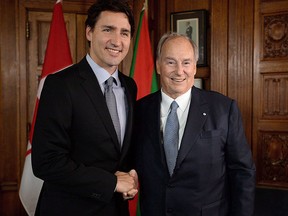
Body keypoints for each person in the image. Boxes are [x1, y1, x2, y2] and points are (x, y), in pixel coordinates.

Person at [32, 0, 138, 215]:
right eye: (108, 30)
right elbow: (47, 162)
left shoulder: (130, 86)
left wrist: (131, 175)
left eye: (124, 33)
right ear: (89, 32)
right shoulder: (60, 85)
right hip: (70, 208)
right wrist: (111, 183)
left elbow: (117, 151)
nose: (117, 41)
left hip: (116, 209)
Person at [134, 32, 256, 216]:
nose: (179, 71)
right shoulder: (140, 110)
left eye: (186, 62)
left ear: (194, 67)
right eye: (170, 62)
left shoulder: (223, 109)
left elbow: (242, 172)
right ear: (158, 66)